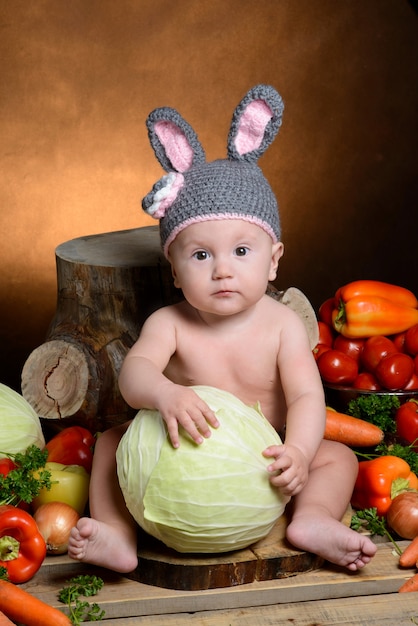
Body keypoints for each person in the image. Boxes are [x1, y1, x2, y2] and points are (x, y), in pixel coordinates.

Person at [68, 85, 377, 573]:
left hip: (265, 450)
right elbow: (135, 375)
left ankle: (312, 517)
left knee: (337, 458)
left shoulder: (281, 326)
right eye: (200, 255)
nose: (222, 270)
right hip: (183, 445)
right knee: (109, 445)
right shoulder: (169, 323)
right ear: (174, 269)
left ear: (273, 261)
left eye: (241, 251)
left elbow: (305, 398)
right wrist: (166, 394)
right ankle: (118, 534)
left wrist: (296, 450)